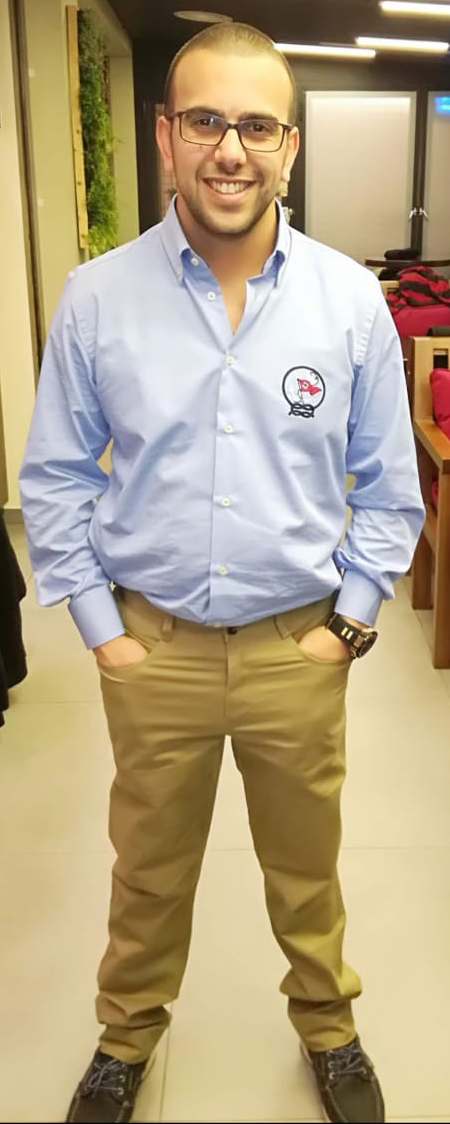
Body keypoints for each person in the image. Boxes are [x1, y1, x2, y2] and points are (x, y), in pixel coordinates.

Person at [19, 21, 425, 1124]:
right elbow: (55, 476)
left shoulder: (347, 302)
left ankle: (329, 1027)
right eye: (206, 121)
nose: (230, 149)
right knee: (147, 868)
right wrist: (103, 629)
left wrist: (346, 626)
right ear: (166, 137)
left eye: (256, 125)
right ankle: (125, 1037)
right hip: (155, 648)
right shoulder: (98, 297)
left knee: (307, 864)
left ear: (290, 145)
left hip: (300, 646)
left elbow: (391, 487)